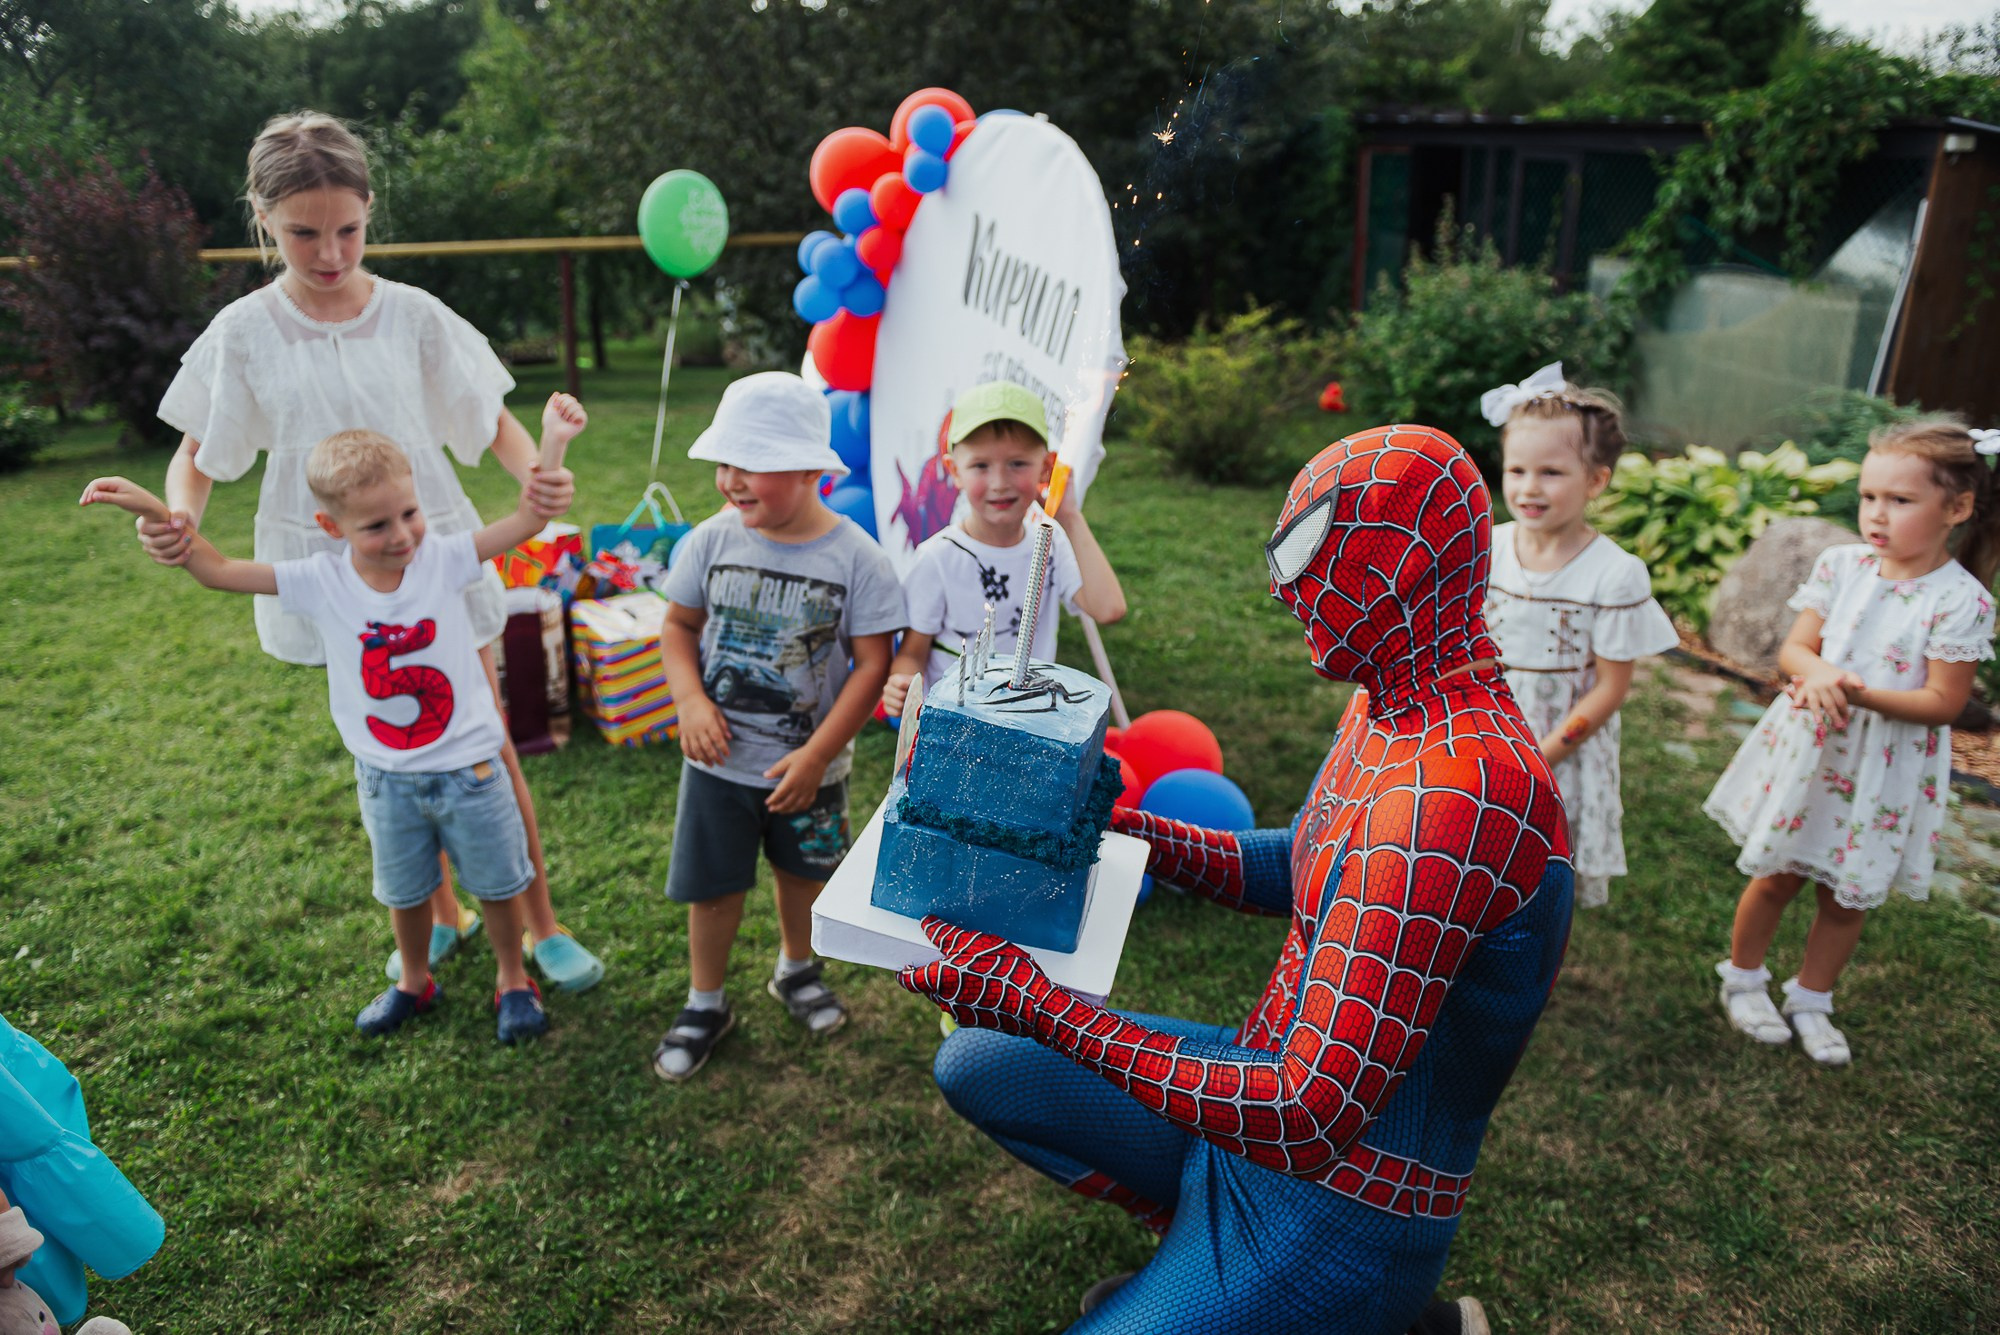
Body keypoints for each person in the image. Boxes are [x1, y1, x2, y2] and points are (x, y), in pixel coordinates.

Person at [899, 425, 1573, 1334]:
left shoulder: (1461, 793)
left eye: (1308, 557)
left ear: (1401, 571)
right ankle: (1195, 1251)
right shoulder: (1392, 697)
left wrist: (1034, 1000)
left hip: (1340, 1203)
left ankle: (1381, 1317)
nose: (1282, 588)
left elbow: (1309, 1114)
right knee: (977, 1060)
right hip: (1254, 1097)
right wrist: (1117, 826)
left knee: (1016, 1045)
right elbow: (1302, 861)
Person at [133, 111, 604, 993]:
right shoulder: (247, 330)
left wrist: (534, 482)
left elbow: (488, 419)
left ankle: (540, 921)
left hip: (430, 552)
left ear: (368, 212)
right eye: (303, 233)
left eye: (347, 229)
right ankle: (443, 918)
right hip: (339, 570)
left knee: (488, 741)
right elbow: (197, 453)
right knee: (386, 747)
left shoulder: (414, 316)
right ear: (263, 219)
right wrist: (179, 515)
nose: (329, 253)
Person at [82, 395, 585, 1041]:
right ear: (331, 524)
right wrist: (157, 510)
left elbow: (527, 518)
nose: (401, 535)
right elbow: (216, 568)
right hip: (386, 776)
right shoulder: (320, 580)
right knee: (404, 892)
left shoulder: (446, 557)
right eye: (376, 525)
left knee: (495, 884)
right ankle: (412, 980)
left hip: (473, 769)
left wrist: (551, 445)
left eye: (409, 513)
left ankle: (513, 979)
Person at [1704, 417, 1999, 1066]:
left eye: (1900, 500)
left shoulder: (1961, 602)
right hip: (1817, 749)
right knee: (1777, 871)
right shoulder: (1842, 566)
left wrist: (1855, 690)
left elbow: (1944, 702)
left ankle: (1812, 996)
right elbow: (1794, 652)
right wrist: (1819, 675)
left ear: (1957, 507)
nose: (1877, 513)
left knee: (1843, 891)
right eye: (1869, 496)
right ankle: (1744, 978)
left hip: (1883, 765)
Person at [652, 373, 906, 1083]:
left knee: (805, 876)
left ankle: (797, 968)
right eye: (723, 464)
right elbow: (677, 626)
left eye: (749, 463)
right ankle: (706, 1001)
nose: (730, 480)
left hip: (812, 774)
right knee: (714, 887)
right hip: (717, 767)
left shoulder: (859, 558)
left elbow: (869, 665)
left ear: (805, 468)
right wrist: (690, 703)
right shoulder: (708, 541)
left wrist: (818, 754)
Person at [1480, 364, 1677, 908]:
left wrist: (1541, 757)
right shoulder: (1489, 548)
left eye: (1551, 472)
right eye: (1516, 469)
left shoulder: (1614, 574)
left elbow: (1610, 688)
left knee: (1536, 875)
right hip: (1485, 733)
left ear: (1595, 480)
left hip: (1557, 748)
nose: (1528, 487)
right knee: (1470, 857)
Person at [881, 380, 1126, 718]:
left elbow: (1108, 608)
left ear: (1046, 466)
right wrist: (902, 680)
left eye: (1017, 464)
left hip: (1031, 726)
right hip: (956, 734)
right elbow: (912, 652)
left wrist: (1068, 514)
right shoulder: (938, 557)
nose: (999, 483)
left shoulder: (1049, 539)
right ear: (954, 471)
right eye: (980, 466)